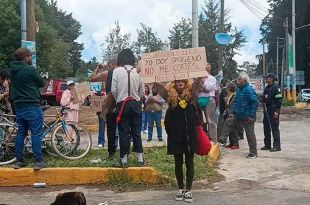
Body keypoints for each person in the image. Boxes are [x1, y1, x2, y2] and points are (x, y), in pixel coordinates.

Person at [10, 48, 47, 170]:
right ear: (26, 57)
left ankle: (19, 161)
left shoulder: (13, 71)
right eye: (30, 56)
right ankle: (38, 161)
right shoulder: (30, 69)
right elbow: (41, 83)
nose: (32, 58)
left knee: (21, 133)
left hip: (19, 106)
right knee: (36, 133)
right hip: (32, 105)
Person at [164, 79, 200, 203]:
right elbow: (159, 89)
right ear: (174, 84)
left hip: (189, 135)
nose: (180, 84)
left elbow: (196, 86)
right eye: (178, 82)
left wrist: (200, 76)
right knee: (178, 163)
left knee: (190, 162)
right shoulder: (170, 98)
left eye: (182, 82)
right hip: (175, 136)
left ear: (186, 84)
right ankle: (180, 189)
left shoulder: (190, 96)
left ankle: (188, 190)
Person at [111, 49, 145, 167]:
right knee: (136, 131)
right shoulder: (138, 71)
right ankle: (140, 158)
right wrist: (137, 99)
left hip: (122, 104)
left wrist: (118, 99)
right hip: (135, 104)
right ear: (132, 58)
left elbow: (113, 90)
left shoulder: (117, 71)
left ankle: (124, 159)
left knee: (124, 132)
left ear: (121, 58)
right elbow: (142, 91)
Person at [91, 59, 119, 160]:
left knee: (112, 129)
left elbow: (93, 78)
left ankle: (112, 153)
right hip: (122, 103)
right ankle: (123, 153)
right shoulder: (126, 72)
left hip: (112, 104)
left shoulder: (108, 73)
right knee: (121, 128)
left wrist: (98, 68)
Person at [232, 72, 259, 158]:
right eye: (238, 79)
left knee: (250, 134)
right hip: (239, 116)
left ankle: (253, 152)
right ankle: (222, 140)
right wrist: (233, 112)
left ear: (245, 81)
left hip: (248, 117)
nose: (238, 81)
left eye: (239, 79)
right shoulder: (239, 90)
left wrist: (251, 116)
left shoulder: (249, 89)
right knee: (228, 123)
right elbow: (236, 102)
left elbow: (255, 103)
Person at [261, 73, 282, 152]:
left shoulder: (276, 88)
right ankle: (267, 145)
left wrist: (277, 111)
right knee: (266, 127)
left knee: (274, 128)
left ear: (271, 79)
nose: (266, 79)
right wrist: (262, 101)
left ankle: (277, 146)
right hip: (267, 110)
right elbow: (264, 98)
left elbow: (279, 100)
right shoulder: (267, 88)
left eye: (267, 78)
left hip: (274, 110)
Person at [198, 63, 217, 142]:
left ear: (210, 69)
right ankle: (203, 138)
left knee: (210, 121)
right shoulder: (196, 78)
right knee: (200, 120)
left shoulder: (212, 78)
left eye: (208, 68)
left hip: (209, 100)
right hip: (198, 99)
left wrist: (203, 81)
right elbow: (195, 89)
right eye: (205, 68)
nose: (206, 69)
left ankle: (213, 139)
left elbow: (208, 88)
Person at [218, 81, 239, 149]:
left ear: (230, 88)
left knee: (233, 129)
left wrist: (232, 112)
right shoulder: (229, 95)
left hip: (233, 114)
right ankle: (231, 143)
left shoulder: (235, 95)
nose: (226, 88)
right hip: (227, 113)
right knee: (229, 128)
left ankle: (235, 143)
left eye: (227, 87)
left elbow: (233, 105)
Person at [92, 63, 107, 148]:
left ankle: (114, 141)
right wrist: (97, 68)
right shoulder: (98, 92)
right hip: (101, 112)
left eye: (104, 83)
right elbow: (93, 78)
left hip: (110, 110)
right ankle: (101, 141)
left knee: (113, 127)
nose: (103, 84)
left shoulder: (109, 90)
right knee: (101, 127)